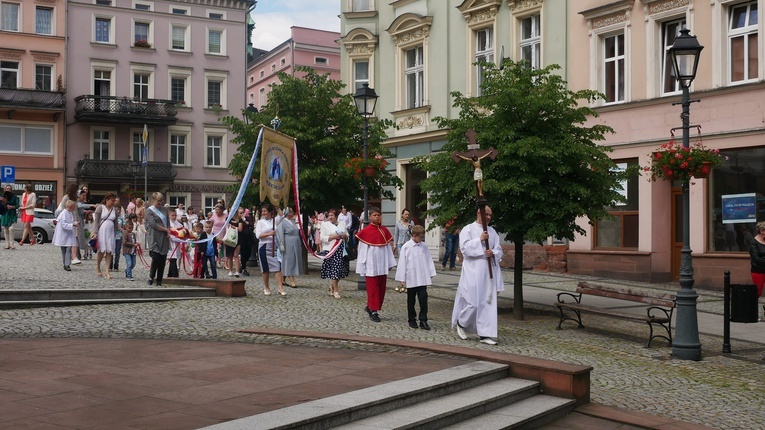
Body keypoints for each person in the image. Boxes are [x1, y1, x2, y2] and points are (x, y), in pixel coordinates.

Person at [451, 206, 504, 345]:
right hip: (472, 270)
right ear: (479, 213)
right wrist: (479, 240)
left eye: (490, 216)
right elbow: (464, 249)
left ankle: (485, 334)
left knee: (487, 302)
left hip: (487, 271)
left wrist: (492, 253)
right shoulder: (468, 229)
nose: (488, 218)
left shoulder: (492, 232)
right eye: (486, 214)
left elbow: (499, 250)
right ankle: (461, 322)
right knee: (473, 302)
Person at [356, 207, 396, 322]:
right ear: (370, 217)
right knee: (373, 289)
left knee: (381, 288)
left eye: (379, 215)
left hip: (382, 265)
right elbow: (363, 251)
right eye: (375, 215)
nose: (377, 217)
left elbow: (387, 248)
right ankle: (374, 311)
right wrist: (362, 266)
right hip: (371, 265)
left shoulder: (384, 231)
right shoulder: (366, 232)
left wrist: (390, 262)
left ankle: (371, 307)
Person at [395, 225, 436, 330]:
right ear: (414, 235)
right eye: (420, 237)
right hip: (411, 277)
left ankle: (423, 320)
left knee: (423, 299)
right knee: (411, 300)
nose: (422, 239)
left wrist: (430, 273)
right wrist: (402, 278)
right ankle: (412, 319)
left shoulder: (424, 246)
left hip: (422, 277)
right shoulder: (406, 247)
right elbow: (402, 263)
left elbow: (428, 260)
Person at [256, 204, 285, 296]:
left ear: (270, 212)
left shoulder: (274, 220)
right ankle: (266, 287)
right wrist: (269, 234)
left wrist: (277, 207)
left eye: (265, 211)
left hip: (274, 246)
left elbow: (282, 216)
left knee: (277, 267)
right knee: (265, 269)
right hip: (264, 246)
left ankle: (280, 288)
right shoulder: (260, 222)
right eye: (262, 211)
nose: (263, 213)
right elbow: (258, 235)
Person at [321, 208, 350, 299]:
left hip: (341, 250)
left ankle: (333, 287)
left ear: (336, 216)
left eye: (332, 215)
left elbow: (347, 236)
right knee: (334, 269)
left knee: (339, 270)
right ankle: (336, 291)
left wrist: (345, 236)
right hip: (331, 250)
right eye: (329, 215)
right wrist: (334, 236)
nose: (330, 217)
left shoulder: (342, 224)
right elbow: (322, 238)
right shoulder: (325, 225)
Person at [145, 192, 171, 286]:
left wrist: (168, 231)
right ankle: (151, 277)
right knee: (155, 258)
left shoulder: (164, 209)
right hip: (154, 237)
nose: (160, 203)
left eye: (161, 201)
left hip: (164, 237)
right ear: (153, 200)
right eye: (158, 201)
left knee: (162, 259)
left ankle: (159, 280)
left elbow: (167, 222)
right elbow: (153, 224)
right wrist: (165, 229)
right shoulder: (149, 210)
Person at [92, 192, 118, 278]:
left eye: (114, 201)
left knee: (109, 250)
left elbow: (116, 224)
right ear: (107, 199)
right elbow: (96, 222)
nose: (113, 203)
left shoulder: (114, 210)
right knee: (102, 250)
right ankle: (98, 266)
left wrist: (119, 231)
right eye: (112, 201)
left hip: (110, 231)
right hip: (102, 231)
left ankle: (107, 271)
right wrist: (95, 233)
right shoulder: (100, 208)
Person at [277, 207, 304, 288]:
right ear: (287, 213)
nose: (293, 213)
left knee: (292, 261)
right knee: (289, 261)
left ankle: (283, 279)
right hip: (288, 243)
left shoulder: (293, 222)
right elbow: (280, 235)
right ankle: (292, 280)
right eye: (291, 212)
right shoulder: (282, 223)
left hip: (295, 243)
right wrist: (282, 246)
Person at [52, 200, 79, 271]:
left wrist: (75, 223)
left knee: (67, 249)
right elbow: (63, 224)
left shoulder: (69, 213)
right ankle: (66, 264)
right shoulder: (64, 214)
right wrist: (72, 224)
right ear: (70, 207)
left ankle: (66, 263)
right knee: (66, 249)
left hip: (67, 235)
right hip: (64, 235)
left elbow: (70, 221)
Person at [393, 208, 415, 292]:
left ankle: (408, 280)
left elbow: (414, 234)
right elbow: (396, 234)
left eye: (408, 214)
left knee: (409, 262)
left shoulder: (411, 223)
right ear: (402, 215)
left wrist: (411, 228)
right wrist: (395, 244)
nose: (407, 216)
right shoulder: (398, 223)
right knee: (401, 262)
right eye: (405, 214)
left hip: (409, 244)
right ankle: (402, 281)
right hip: (400, 244)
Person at [749, 221, 765, 320]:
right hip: (758, 270)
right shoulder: (753, 243)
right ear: (762, 231)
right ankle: (752, 312)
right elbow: (756, 259)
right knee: (757, 292)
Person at [224, 208, 244, 277]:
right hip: (229, 238)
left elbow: (240, 229)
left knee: (236, 255)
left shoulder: (239, 219)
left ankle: (237, 271)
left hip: (238, 239)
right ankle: (230, 271)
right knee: (229, 256)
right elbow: (226, 227)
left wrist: (233, 227)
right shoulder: (228, 219)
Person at [166, 211, 183, 278]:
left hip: (177, 243)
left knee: (174, 258)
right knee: (172, 258)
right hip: (170, 243)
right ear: (169, 216)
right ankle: (175, 274)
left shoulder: (178, 224)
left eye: (175, 215)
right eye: (172, 215)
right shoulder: (168, 224)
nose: (174, 217)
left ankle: (170, 274)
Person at [2, 185, 18, 249]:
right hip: (5, 214)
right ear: (5, 189)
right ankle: (7, 244)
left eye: (9, 188)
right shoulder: (2, 196)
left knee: (11, 229)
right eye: (7, 188)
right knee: (5, 229)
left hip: (12, 214)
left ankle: (12, 244)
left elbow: (17, 205)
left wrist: (12, 207)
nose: (8, 189)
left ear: (11, 189)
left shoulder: (14, 197)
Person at [239, 207, 254, 276]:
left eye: (243, 213)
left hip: (248, 237)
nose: (242, 214)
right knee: (243, 253)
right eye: (240, 213)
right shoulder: (238, 219)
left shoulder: (247, 218)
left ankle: (243, 264)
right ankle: (244, 267)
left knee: (249, 252)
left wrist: (244, 220)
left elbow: (251, 225)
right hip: (241, 237)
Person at [111, 197, 125, 272]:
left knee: (117, 252)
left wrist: (122, 228)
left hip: (119, 236)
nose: (117, 211)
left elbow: (123, 226)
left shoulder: (121, 219)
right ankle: (110, 265)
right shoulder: (111, 218)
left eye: (118, 210)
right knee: (111, 251)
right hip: (112, 236)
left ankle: (116, 265)